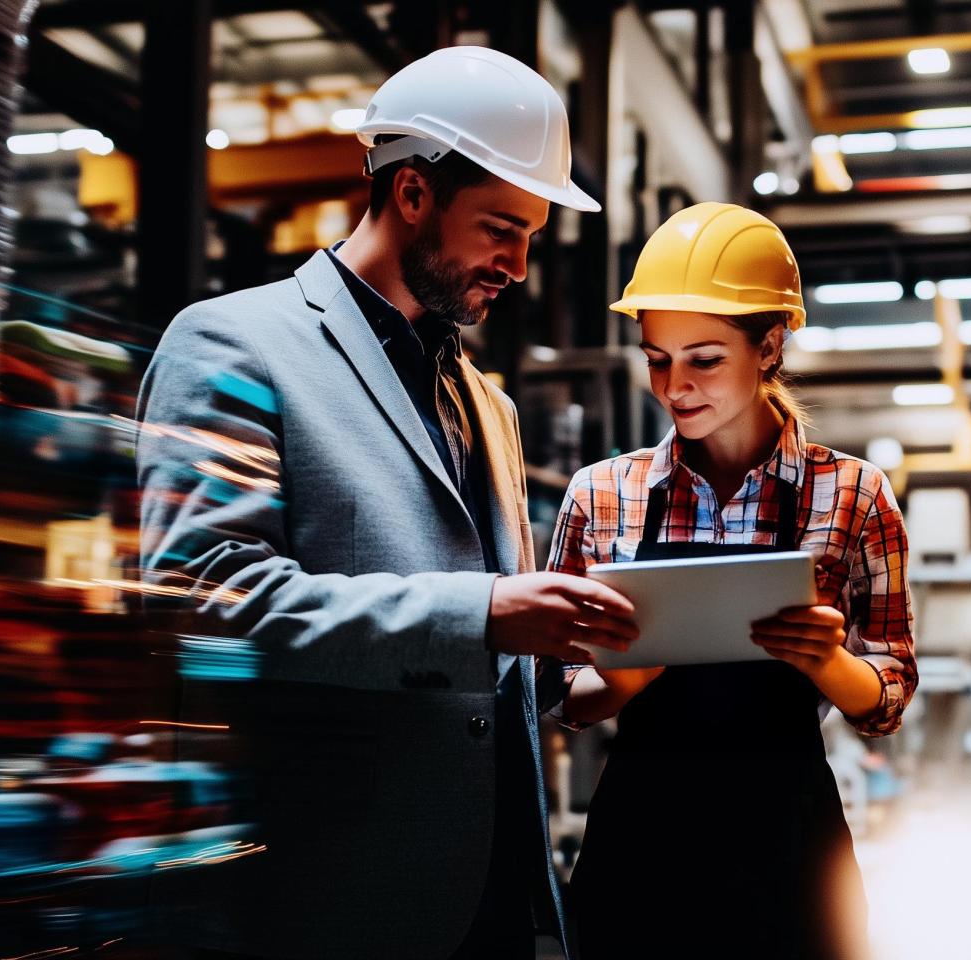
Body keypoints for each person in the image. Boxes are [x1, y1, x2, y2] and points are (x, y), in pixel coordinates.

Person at [135, 46, 639, 960]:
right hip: (329, 899)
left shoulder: (486, 404)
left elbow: (498, 676)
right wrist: (484, 612)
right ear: (412, 192)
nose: (519, 265)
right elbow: (205, 600)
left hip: (496, 904)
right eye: (500, 227)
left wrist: (632, 653)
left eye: (530, 235)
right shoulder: (232, 347)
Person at [546, 203, 918, 960]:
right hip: (641, 854)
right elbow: (549, 690)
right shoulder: (601, 495)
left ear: (771, 344)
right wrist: (626, 677)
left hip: (788, 855)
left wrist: (826, 662)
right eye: (657, 358)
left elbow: (888, 697)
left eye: (704, 358)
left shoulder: (852, 495)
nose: (675, 386)